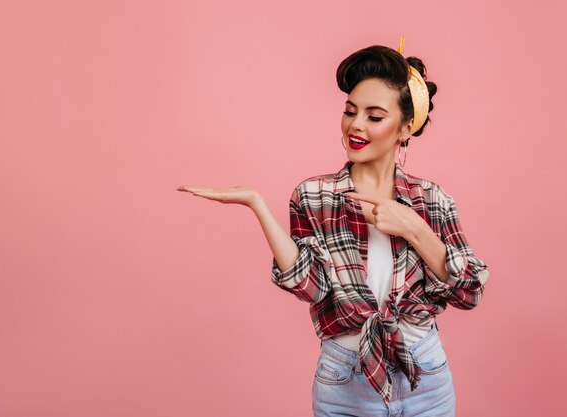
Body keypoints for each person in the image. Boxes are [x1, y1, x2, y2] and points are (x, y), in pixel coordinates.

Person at [177, 38, 490, 417]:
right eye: (350, 111)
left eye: (374, 117)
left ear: (406, 128)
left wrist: (414, 228)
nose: (355, 126)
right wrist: (257, 204)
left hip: (424, 374)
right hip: (345, 376)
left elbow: (469, 291)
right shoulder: (314, 196)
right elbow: (310, 286)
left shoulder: (431, 200)